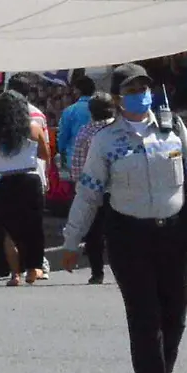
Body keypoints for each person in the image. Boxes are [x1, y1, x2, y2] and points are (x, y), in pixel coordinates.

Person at [62, 64, 187, 373]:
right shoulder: (106, 140)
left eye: (144, 89)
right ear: (118, 99)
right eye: (132, 91)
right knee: (145, 319)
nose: (141, 96)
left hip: (172, 235)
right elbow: (88, 193)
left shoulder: (173, 128)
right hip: (129, 237)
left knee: (175, 316)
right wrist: (72, 240)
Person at [0, 88, 48, 287]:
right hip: (30, 179)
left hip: (6, 181)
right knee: (33, 227)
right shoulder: (33, 128)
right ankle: (32, 269)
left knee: (7, 231)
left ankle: (15, 274)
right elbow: (45, 154)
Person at [66, 92, 117, 283]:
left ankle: (97, 272)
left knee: (93, 233)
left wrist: (78, 187)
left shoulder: (85, 132)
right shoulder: (120, 130)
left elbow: (78, 166)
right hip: (120, 190)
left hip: (93, 190)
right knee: (118, 232)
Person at [55, 75, 97, 187]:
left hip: (75, 161)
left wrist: (61, 151)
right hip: (99, 158)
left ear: (77, 90)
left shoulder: (70, 111)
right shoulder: (101, 108)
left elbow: (63, 136)